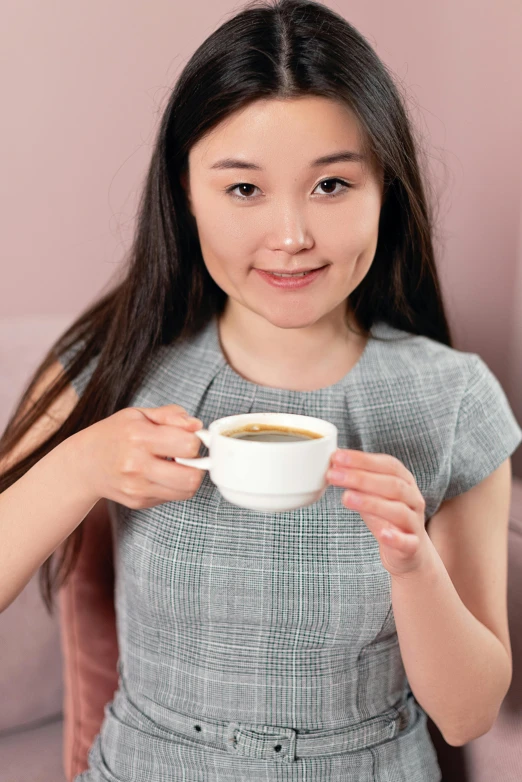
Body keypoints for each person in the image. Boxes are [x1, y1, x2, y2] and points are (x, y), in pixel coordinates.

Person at [0, 1, 521, 780]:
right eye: (243, 190)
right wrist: (80, 466)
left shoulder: (451, 399)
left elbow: (469, 712)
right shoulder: (111, 360)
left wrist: (415, 565)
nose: (290, 236)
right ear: (184, 194)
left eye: (332, 185)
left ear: (387, 187)